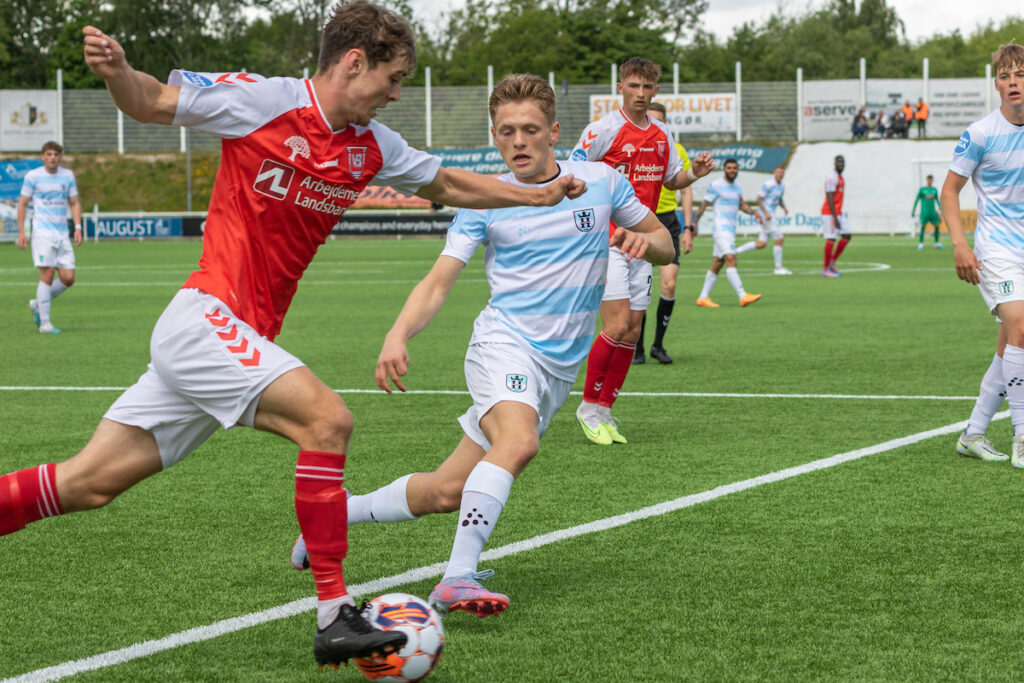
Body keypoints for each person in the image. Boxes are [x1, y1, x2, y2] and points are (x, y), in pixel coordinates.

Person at [0, 3, 586, 670]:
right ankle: (335, 613)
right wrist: (118, 71)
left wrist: (533, 197)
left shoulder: (373, 145)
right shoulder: (262, 101)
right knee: (328, 419)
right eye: (393, 79)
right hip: (204, 318)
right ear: (354, 62)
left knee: (85, 484)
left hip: (230, 340)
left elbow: (447, 181)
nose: (397, 95)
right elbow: (152, 101)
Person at [290, 73, 674, 615]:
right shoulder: (484, 201)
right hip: (503, 346)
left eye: (530, 129)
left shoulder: (602, 181)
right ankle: (457, 577)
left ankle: (337, 513)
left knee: (445, 492)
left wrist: (644, 240)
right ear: (494, 135)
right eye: (506, 131)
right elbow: (440, 279)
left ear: (554, 132)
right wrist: (398, 333)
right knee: (517, 444)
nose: (518, 140)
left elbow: (663, 240)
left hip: (556, 371)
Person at [569, 57, 712, 445]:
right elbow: (573, 174)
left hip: (645, 244)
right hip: (609, 241)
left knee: (632, 333)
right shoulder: (602, 130)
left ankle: (605, 411)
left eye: (647, 88)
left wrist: (695, 172)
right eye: (633, 86)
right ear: (620, 87)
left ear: (657, 91)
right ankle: (587, 407)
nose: (640, 94)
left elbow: (671, 179)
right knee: (615, 326)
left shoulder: (663, 134)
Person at [943, 42, 1024, 466]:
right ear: (996, 83)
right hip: (996, 249)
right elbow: (950, 190)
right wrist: (960, 243)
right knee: (1023, 331)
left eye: (1021, 74)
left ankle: (973, 433)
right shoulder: (980, 133)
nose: (1013, 82)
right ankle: (1022, 438)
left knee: (1010, 345)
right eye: (1006, 75)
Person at [633, 101, 695, 365]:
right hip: (638, 220)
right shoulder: (632, 145)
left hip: (668, 222)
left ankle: (658, 345)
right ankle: (636, 348)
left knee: (669, 284)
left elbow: (686, 188)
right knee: (638, 290)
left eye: (660, 120)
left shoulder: (675, 149)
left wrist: (689, 226)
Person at [17, 141, 82, 334]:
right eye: (49, 154)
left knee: (68, 278)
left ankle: (38, 302)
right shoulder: (33, 176)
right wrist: (22, 232)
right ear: (42, 157)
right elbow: (22, 204)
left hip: (62, 233)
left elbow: (74, 202)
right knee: (47, 274)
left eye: (56, 154)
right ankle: (45, 323)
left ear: (60, 157)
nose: (52, 157)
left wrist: (77, 227)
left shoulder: (67, 176)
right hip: (42, 233)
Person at [693, 159, 764, 307]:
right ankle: (742, 295)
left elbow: (741, 205)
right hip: (721, 229)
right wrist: (694, 223)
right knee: (731, 259)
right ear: (724, 169)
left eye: (735, 168)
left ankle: (703, 297)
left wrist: (754, 212)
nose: (732, 170)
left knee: (718, 263)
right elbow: (704, 204)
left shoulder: (737, 187)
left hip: (730, 231)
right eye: (730, 168)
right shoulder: (716, 185)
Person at [736, 165, 791, 275]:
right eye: (778, 172)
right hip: (766, 215)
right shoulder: (768, 185)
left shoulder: (782, 186)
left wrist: (784, 207)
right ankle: (778, 268)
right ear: (774, 173)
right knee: (779, 239)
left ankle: (734, 252)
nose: (780, 174)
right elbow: (758, 199)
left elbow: (779, 199)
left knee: (762, 244)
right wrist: (765, 213)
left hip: (769, 215)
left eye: (782, 173)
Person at [821, 154, 851, 277]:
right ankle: (825, 269)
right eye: (839, 162)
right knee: (831, 238)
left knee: (847, 235)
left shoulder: (840, 177)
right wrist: (834, 216)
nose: (841, 164)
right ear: (834, 164)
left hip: (838, 212)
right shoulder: (832, 177)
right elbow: (829, 197)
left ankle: (832, 262)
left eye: (842, 163)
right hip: (830, 212)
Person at [912, 174, 944, 250]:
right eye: (929, 179)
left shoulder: (934, 190)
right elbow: (917, 200)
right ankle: (920, 244)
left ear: (932, 180)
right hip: (924, 212)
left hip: (932, 211)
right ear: (927, 180)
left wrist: (940, 208)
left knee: (937, 225)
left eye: (931, 179)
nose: (930, 181)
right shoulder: (922, 190)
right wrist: (914, 209)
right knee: (923, 226)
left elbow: (937, 200)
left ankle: (936, 243)